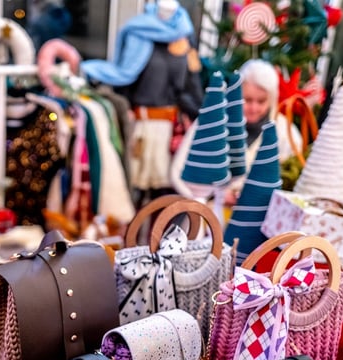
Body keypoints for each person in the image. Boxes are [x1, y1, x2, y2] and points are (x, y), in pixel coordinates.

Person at [80, 0, 203, 206]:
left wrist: (199, 116)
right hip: (139, 125)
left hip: (170, 130)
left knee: (165, 194)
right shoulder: (138, 32)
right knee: (132, 189)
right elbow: (125, 75)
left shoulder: (185, 36)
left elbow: (191, 84)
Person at [170, 58, 303, 203]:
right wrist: (212, 195)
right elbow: (178, 172)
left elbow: (289, 182)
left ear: (271, 99)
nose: (253, 108)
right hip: (207, 210)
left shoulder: (285, 132)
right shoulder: (213, 119)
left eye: (261, 101)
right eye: (248, 100)